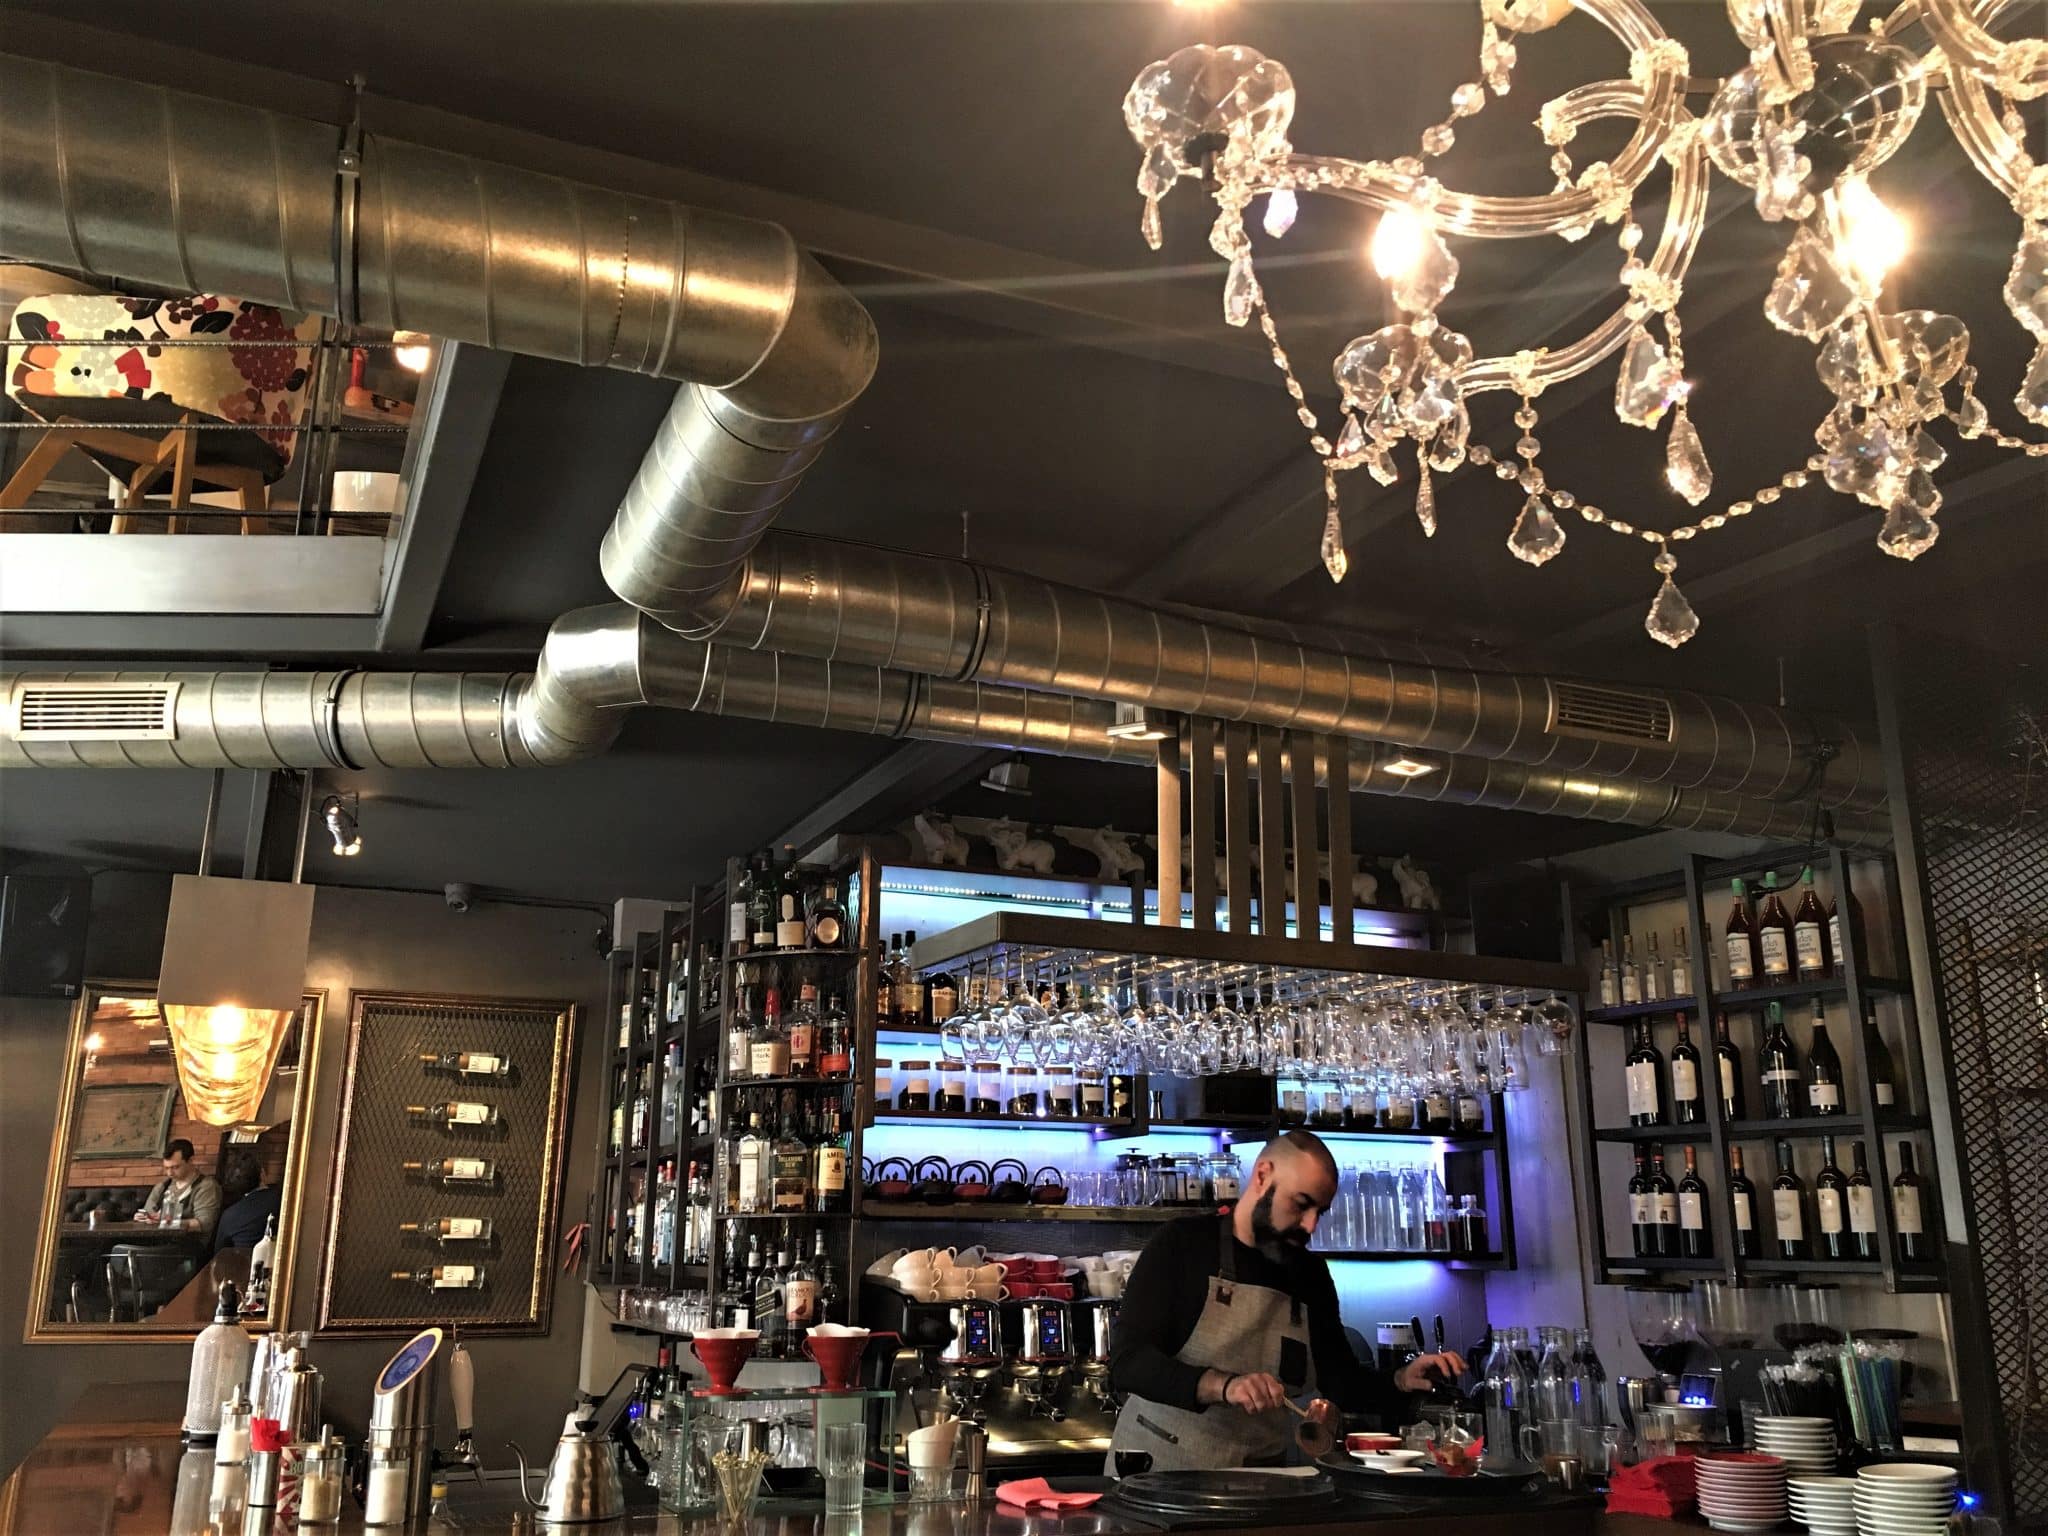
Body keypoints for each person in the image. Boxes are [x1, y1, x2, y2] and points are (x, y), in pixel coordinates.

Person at [1107, 1129, 1466, 1471]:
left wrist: (1401, 1379)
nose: (1310, 1226)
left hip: (1260, 1483)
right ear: (1263, 1175)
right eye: (1301, 1204)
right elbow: (1128, 1363)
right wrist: (1224, 1385)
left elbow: (1341, 1382)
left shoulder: (1309, 1274)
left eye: (1319, 1212)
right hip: (1161, 1475)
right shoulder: (1182, 1245)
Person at [135, 1139, 223, 1242]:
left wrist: (166, 1222)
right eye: (166, 1168)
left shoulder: (206, 1186)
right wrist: (143, 1218)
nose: (169, 1173)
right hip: (156, 1241)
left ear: (190, 1160)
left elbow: (204, 1224)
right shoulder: (162, 1187)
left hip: (188, 1244)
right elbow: (148, 1214)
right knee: (122, 1247)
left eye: (175, 1167)